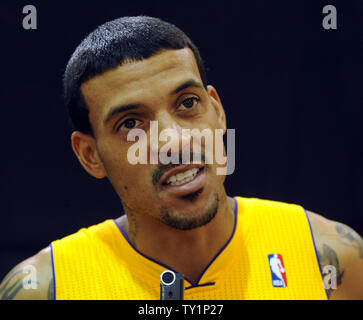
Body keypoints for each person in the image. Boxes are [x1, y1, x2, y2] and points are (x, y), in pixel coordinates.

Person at [1, 16, 362, 300]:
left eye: (188, 103)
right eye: (131, 123)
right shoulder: (44, 289)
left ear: (217, 111)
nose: (174, 140)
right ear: (90, 155)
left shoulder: (331, 257)